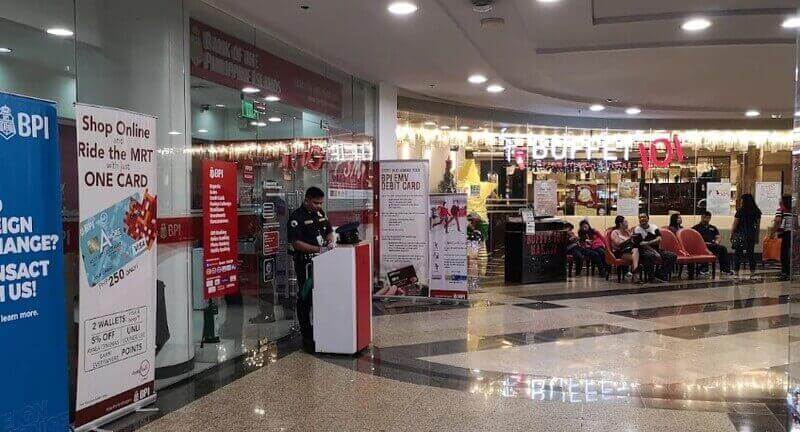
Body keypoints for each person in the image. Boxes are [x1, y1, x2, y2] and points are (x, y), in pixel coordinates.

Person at [288, 187, 334, 352]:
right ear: (306, 200)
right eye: (315, 203)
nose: (318, 206)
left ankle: (321, 331)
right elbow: (296, 243)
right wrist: (317, 249)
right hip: (306, 265)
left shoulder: (320, 214)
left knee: (322, 297)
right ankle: (306, 335)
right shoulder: (296, 217)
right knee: (305, 299)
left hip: (323, 263)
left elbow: (328, 231)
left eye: (321, 203)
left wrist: (329, 242)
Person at [634, 213, 676, 282]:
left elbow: (659, 239)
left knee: (672, 256)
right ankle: (651, 277)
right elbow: (642, 244)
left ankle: (660, 274)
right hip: (644, 252)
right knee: (650, 255)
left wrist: (648, 242)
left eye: (644, 217)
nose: (642, 219)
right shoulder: (637, 230)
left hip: (657, 249)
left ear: (648, 218)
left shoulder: (653, 227)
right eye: (640, 218)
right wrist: (654, 249)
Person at [692, 211, 733, 276]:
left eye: (708, 217)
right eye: (705, 217)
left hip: (712, 245)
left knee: (723, 248)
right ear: (702, 217)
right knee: (705, 249)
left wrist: (717, 241)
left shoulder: (713, 227)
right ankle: (703, 269)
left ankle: (725, 269)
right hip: (701, 246)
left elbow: (718, 236)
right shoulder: (696, 228)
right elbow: (692, 239)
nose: (706, 219)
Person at [732, 193, 762, 279]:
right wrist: (756, 237)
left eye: (742, 199)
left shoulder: (740, 211)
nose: (741, 201)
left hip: (740, 234)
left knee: (738, 253)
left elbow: (735, 224)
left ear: (744, 201)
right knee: (750, 254)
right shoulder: (757, 211)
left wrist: (732, 234)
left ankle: (736, 273)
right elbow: (758, 226)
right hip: (751, 234)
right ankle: (752, 273)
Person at [610, 216, 641, 283]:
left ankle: (634, 274)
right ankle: (635, 275)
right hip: (620, 253)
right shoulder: (615, 232)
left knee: (635, 251)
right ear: (621, 224)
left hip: (630, 251)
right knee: (636, 256)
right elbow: (618, 243)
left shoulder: (627, 232)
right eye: (626, 222)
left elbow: (632, 243)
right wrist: (629, 239)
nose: (627, 223)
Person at [774, 195, 793, 281]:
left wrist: (774, 230)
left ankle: (784, 271)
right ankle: (789, 272)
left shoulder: (780, 211)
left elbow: (777, 221)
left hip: (783, 233)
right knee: (789, 253)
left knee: (783, 253)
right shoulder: (794, 211)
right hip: (791, 234)